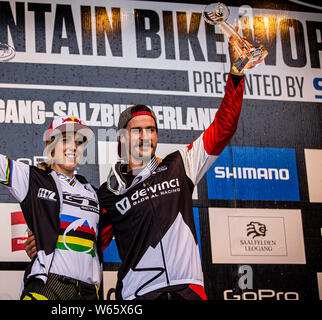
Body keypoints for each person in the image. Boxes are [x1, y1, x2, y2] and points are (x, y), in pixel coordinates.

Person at [25, 27, 246, 300]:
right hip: (137, 295)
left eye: (151, 129)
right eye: (137, 130)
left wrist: (236, 74)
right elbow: (88, 237)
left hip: (187, 289)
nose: (145, 136)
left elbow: (224, 127)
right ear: (121, 138)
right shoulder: (107, 194)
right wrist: (47, 241)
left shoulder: (180, 165)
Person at [0, 62, 102, 300]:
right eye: (65, 139)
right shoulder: (31, 178)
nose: (73, 147)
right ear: (50, 145)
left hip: (89, 292)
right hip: (49, 285)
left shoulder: (94, 192)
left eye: (79, 142)